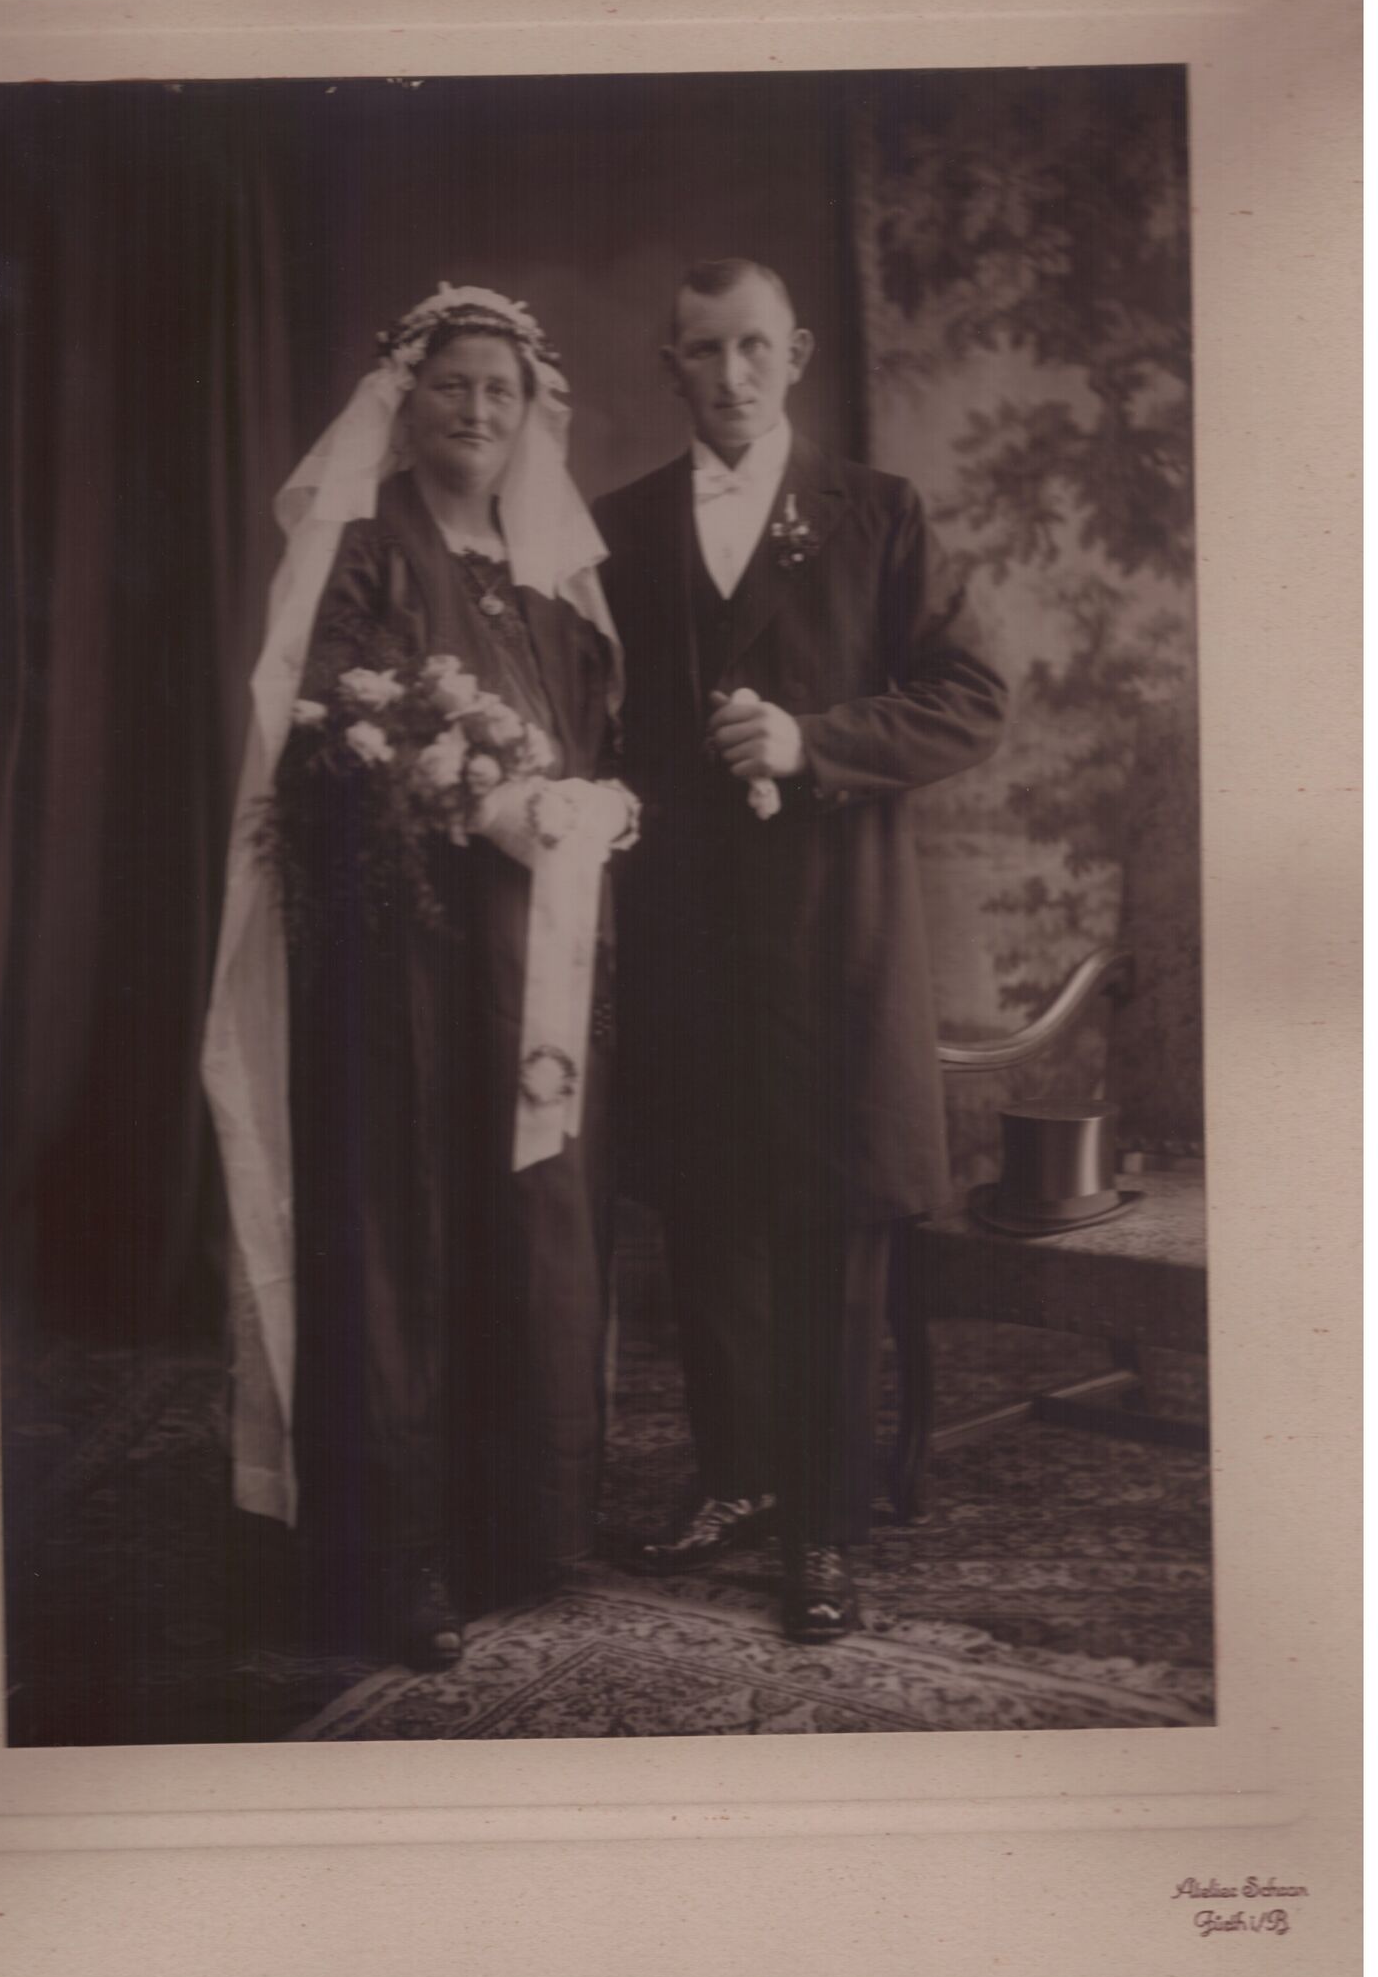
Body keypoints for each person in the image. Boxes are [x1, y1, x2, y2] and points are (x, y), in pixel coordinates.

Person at [203, 284, 634, 1669]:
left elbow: (594, 735)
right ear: (407, 400)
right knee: (405, 1228)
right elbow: (326, 736)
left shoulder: (547, 578)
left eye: (502, 390)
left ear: (531, 412)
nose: (478, 410)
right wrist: (472, 801)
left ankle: (522, 1529)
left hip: (532, 966)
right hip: (402, 966)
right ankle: (397, 1559)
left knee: (530, 1219)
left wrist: (599, 804)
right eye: (453, 384)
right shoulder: (368, 550)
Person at [593, 258, 1007, 1642]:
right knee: (708, 1214)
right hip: (684, 938)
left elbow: (972, 697)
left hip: (837, 931)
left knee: (830, 1225)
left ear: (799, 354)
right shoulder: (619, 527)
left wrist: (812, 741)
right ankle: (738, 1479)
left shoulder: (878, 512)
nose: (732, 375)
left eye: (754, 347)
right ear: (671, 364)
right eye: (704, 350)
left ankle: (823, 1527)